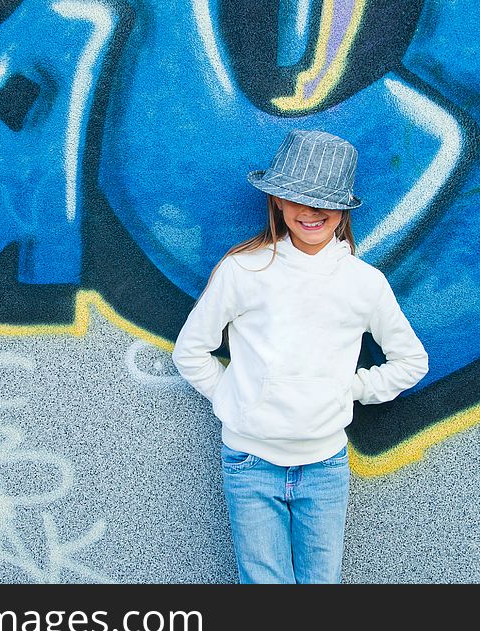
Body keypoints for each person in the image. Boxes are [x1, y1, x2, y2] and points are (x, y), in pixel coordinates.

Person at [171, 129, 429, 584]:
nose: (310, 212)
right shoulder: (244, 270)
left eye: (324, 201)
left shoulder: (364, 283)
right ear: (277, 201)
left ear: (344, 208)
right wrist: (234, 395)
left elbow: (411, 362)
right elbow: (191, 351)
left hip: (325, 466)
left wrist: (348, 389)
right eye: (297, 198)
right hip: (250, 464)